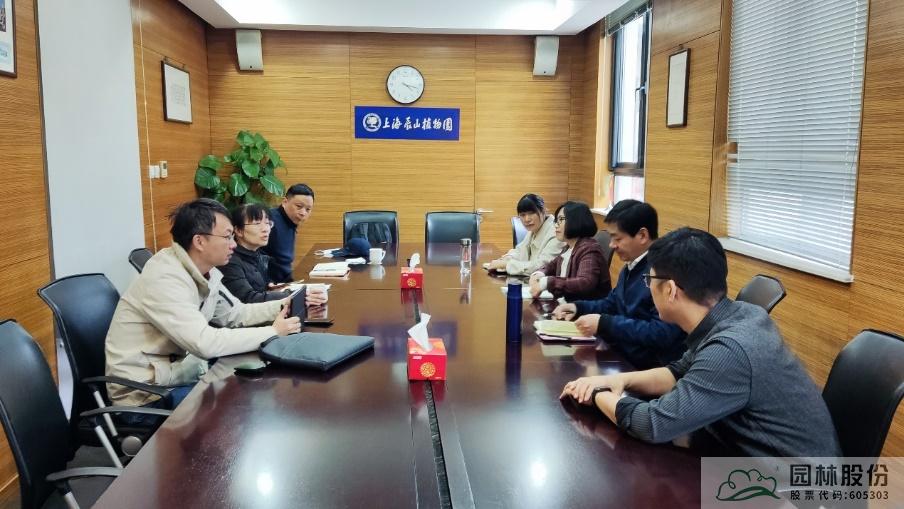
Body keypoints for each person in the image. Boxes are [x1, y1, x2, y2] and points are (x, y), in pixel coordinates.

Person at [560, 227, 842, 457]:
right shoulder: (739, 314)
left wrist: (597, 394)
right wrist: (616, 381)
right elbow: (677, 372)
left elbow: (652, 424)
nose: (648, 287)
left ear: (670, 290)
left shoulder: (729, 349)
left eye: (649, 280)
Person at [105, 198, 327, 417]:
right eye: (227, 236)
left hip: (177, 375)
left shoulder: (205, 271)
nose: (233, 244)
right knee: (241, 406)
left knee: (252, 395)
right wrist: (273, 331)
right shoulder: (165, 278)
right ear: (200, 241)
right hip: (146, 396)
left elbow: (236, 314)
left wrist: (285, 303)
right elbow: (204, 342)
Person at [552, 200, 685, 369]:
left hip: (644, 367)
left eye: (617, 238)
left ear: (642, 235)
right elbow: (612, 303)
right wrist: (578, 307)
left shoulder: (662, 272)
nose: (611, 245)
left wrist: (604, 324)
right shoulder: (631, 266)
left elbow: (661, 333)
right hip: (620, 355)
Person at [529, 201, 610, 301]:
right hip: (567, 305)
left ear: (576, 220)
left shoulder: (589, 249)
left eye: (561, 219)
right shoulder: (568, 247)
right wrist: (538, 274)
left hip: (584, 308)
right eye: (556, 221)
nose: (556, 225)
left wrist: (547, 282)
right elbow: (551, 266)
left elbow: (585, 282)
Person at [219, 204, 291, 303]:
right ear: (239, 230)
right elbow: (247, 299)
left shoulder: (258, 255)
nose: (266, 229)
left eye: (267, 223)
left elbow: (262, 288)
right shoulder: (229, 261)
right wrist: (290, 295)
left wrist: (269, 287)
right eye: (257, 223)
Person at [486, 193, 565, 276]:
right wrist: (506, 258)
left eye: (531, 213)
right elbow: (519, 251)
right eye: (522, 215)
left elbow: (542, 267)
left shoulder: (556, 232)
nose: (527, 219)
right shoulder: (534, 229)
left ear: (543, 211)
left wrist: (506, 264)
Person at [262, 183, 314, 283]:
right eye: (299, 206)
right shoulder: (269, 221)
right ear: (285, 202)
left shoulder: (290, 222)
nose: (303, 213)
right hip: (270, 286)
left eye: (308, 209)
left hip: (285, 282)